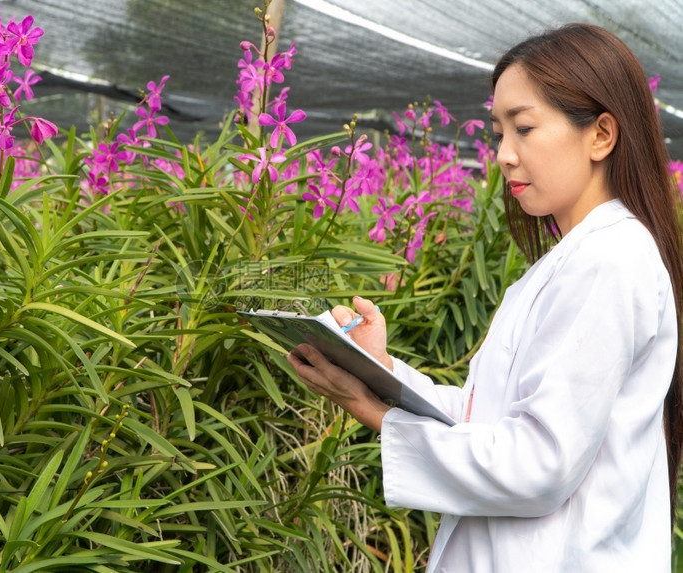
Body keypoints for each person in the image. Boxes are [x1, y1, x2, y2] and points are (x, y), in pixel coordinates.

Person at [287, 23, 683, 572]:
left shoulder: (609, 262)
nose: (503, 155)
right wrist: (381, 371)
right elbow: (492, 419)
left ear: (601, 135)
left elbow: (539, 463)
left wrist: (374, 410)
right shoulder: (574, 260)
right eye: (499, 132)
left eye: (523, 128)